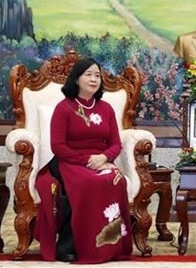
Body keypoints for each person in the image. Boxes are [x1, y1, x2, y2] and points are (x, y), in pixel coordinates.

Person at [34, 57, 133, 263]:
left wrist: (104, 157)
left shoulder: (106, 108)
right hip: (69, 160)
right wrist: (88, 160)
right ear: (76, 79)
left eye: (97, 75)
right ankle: (71, 245)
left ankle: (111, 245)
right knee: (90, 182)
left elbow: (115, 143)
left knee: (116, 179)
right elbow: (58, 146)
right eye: (88, 74)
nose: (94, 79)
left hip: (100, 159)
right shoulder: (64, 108)